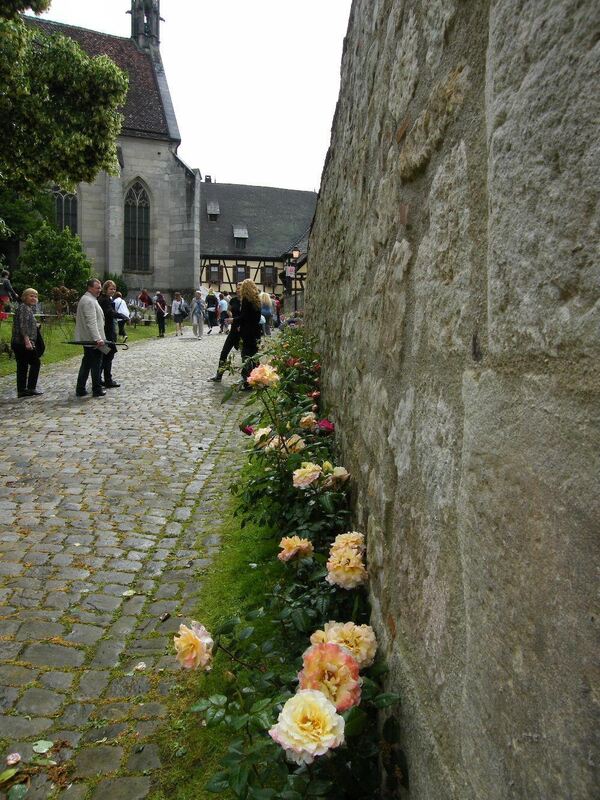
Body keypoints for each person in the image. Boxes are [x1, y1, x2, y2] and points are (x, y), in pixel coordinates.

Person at [75, 278, 106, 397]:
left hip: (90, 339)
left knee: (87, 363)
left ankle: (81, 388)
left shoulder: (90, 299)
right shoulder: (88, 300)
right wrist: (97, 339)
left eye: (100, 288)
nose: (99, 290)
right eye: (97, 288)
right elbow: (91, 322)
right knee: (95, 364)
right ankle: (96, 389)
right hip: (92, 340)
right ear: (89, 288)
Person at [11, 287, 43, 397]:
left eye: (35, 296)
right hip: (22, 342)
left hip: (18, 342)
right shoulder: (24, 308)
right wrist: (27, 341)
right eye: (31, 296)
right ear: (25, 297)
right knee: (35, 363)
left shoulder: (25, 308)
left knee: (22, 365)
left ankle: (22, 390)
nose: (34, 298)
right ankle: (30, 388)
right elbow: (22, 325)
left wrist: (36, 325)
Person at [208, 283, 242, 382]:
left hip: (243, 331)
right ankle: (219, 375)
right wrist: (230, 315)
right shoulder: (233, 300)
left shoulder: (247, 302)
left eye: (240, 288)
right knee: (224, 352)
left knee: (246, 354)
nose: (237, 290)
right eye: (237, 288)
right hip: (234, 330)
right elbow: (228, 310)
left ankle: (249, 377)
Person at [98, 280, 126, 389]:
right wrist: (122, 316)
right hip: (106, 332)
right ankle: (106, 379)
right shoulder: (104, 300)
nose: (113, 291)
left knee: (107, 355)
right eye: (111, 289)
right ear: (105, 289)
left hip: (109, 330)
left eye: (114, 289)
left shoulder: (107, 299)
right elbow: (109, 313)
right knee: (108, 354)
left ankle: (103, 379)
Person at [239, 279, 262, 390]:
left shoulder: (246, 300)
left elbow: (244, 317)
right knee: (255, 357)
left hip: (248, 332)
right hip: (256, 331)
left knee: (246, 357)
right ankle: (258, 380)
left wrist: (234, 320)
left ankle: (248, 383)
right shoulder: (257, 300)